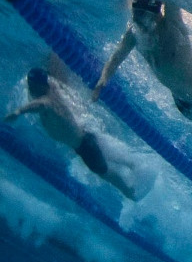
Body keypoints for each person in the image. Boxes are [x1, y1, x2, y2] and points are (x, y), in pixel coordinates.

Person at [94, 0, 192, 174]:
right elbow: (115, 59)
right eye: (136, 18)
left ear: (156, 15)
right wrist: (104, 79)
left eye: (143, 18)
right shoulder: (135, 34)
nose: (139, 24)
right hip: (182, 103)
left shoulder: (172, 24)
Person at [6, 66, 136, 199]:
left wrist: (19, 111)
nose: (30, 88)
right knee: (108, 156)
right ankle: (134, 166)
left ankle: (129, 192)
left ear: (41, 85)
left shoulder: (47, 100)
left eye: (32, 85)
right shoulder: (52, 86)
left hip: (84, 146)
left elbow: (40, 104)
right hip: (84, 138)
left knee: (104, 172)